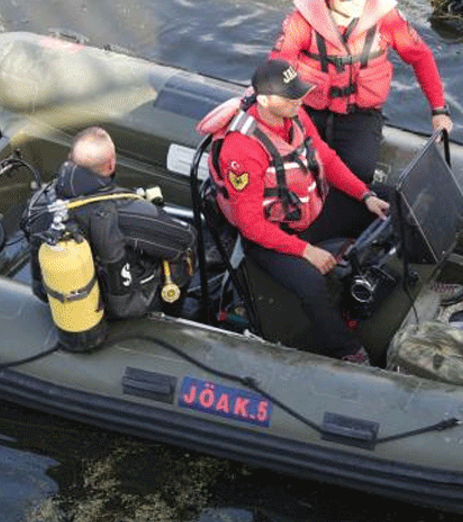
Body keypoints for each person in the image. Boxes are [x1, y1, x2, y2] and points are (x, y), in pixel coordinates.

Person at [208, 59, 391, 362]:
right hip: (271, 234)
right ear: (265, 100)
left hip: (310, 209)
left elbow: (327, 158)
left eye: (299, 94)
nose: (300, 100)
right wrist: (305, 251)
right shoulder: (242, 150)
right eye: (291, 96)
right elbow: (251, 225)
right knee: (310, 284)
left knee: (389, 200)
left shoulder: (295, 115)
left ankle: (392, 278)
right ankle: (347, 350)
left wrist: (365, 195)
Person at [269, 0, 453, 238]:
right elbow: (278, 68)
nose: (359, 3)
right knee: (296, 173)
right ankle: (297, 232)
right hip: (308, 112)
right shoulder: (303, 20)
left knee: (356, 175)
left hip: (359, 115)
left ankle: (322, 236)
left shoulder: (386, 18)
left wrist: (438, 109)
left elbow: (421, 57)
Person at [27, 126, 196, 319]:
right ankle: (174, 314)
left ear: (69, 157)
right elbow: (185, 238)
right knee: (185, 254)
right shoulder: (128, 212)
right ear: (111, 165)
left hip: (57, 295)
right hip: (119, 308)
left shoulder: (40, 201)